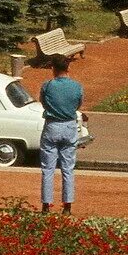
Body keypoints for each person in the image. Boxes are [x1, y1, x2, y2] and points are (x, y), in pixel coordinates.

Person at [39, 55, 84, 215]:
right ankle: (67, 205)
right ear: (68, 68)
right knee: (68, 168)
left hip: (52, 125)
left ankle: (46, 205)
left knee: (47, 168)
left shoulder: (47, 85)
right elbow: (78, 104)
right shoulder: (77, 86)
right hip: (69, 126)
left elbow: (43, 102)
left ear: (53, 69)